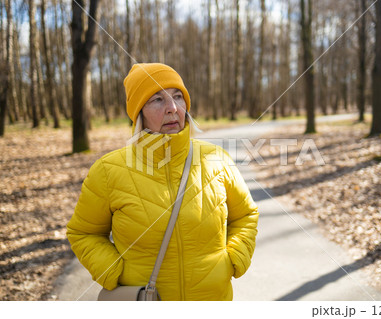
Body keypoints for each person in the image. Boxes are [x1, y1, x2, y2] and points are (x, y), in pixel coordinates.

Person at [66, 63, 259, 301]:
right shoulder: (107, 171)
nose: (172, 108)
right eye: (156, 99)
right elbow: (83, 232)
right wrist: (114, 272)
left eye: (178, 96)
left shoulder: (217, 159)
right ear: (139, 113)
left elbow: (246, 215)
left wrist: (234, 259)